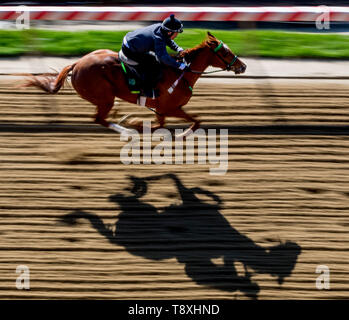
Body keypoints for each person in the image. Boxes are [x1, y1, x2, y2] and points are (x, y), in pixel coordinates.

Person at [119, 14, 190, 99]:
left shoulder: (160, 27)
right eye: (177, 32)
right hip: (130, 51)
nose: (177, 34)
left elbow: (167, 39)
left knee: (154, 59)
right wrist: (180, 66)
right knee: (153, 67)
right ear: (170, 32)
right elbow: (164, 58)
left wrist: (177, 48)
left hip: (130, 41)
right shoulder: (158, 39)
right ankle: (146, 91)